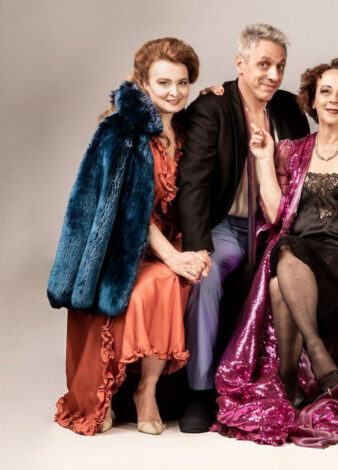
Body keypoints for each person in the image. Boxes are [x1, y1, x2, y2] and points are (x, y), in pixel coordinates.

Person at [213, 56, 338, 447]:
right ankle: (298, 374)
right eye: (326, 92)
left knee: (283, 262)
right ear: (313, 100)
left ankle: (298, 372)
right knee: (281, 265)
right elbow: (276, 215)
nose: (334, 100)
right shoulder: (292, 150)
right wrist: (265, 160)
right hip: (297, 262)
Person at [48, 38, 202, 435]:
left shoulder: (186, 129)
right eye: (164, 83)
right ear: (144, 84)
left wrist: (189, 252)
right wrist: (174, 258)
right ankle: (128, 392)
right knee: (165, 280)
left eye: (183, 83)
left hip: (172, 241)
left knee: (195, 278)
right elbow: (129, 214)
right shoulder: (122, 132)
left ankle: (149, 390)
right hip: (122, 250)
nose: (175, 92)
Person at [176, 24, 310, 432]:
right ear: (240, 63)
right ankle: (199, 390)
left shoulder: (289, 109)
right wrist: (198, 247)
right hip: (226, 227)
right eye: (264, 64)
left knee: (302, 273)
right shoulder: (212, 108)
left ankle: (292, 385)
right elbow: (193, 184)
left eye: (280, 66)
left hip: (276, 228)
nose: (273, 74)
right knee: (206, 276)